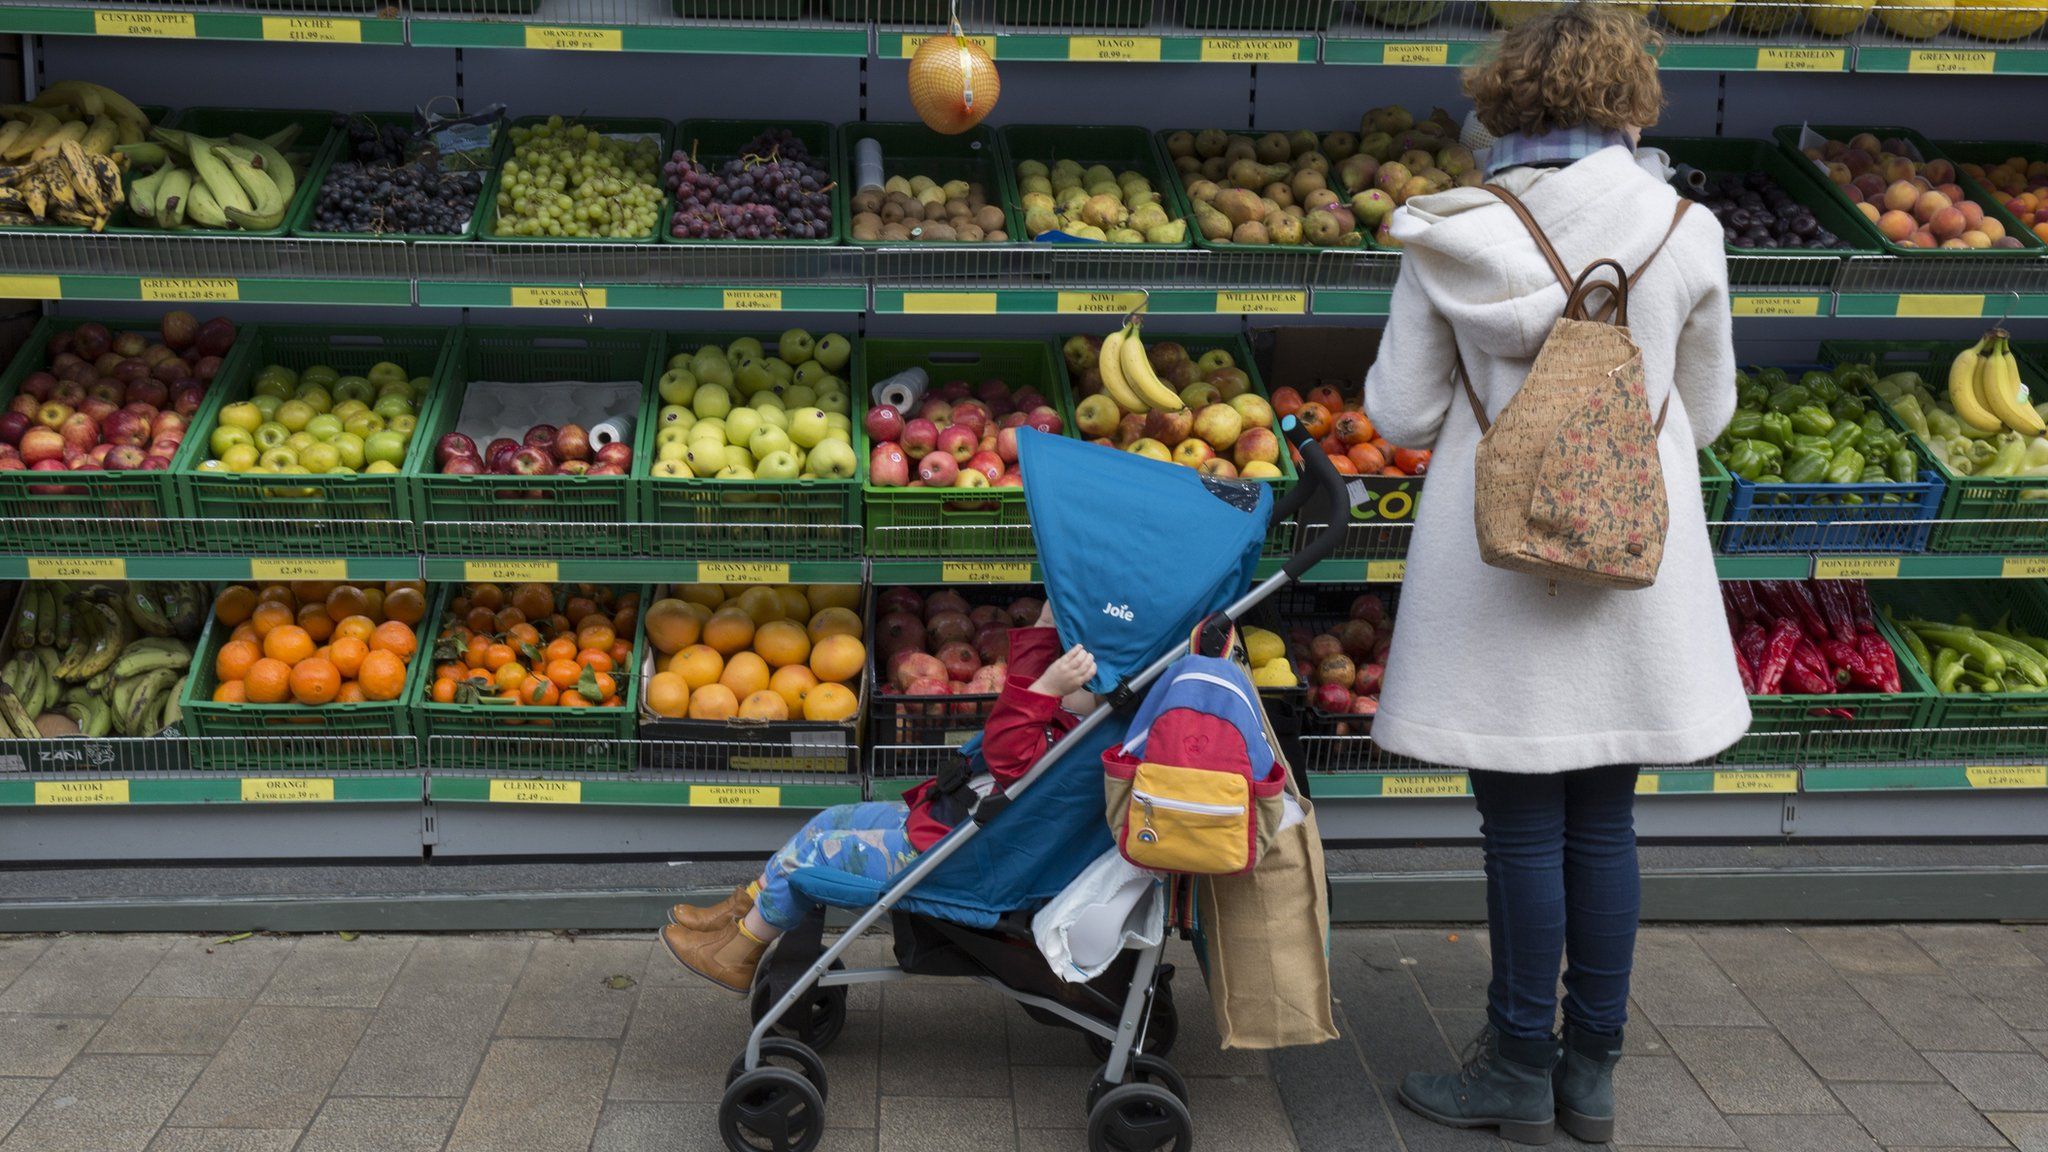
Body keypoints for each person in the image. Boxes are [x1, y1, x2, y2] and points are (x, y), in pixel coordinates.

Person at [1361, 5, 1748, 1146]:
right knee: (1605, 823)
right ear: (1629, 99)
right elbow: (1709, 412)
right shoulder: (1684, 228)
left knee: (1521, 829)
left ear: (1503, 100)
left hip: (1493, 567)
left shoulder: (1453, 233)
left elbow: (1400, 412)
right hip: (1630, 558)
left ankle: (1516, 1066)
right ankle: (1591, 1075)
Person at [661, 602, 1100, 994]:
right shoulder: (1076, 723)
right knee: (831, 819)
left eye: (1081, 675)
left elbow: (1007, 750)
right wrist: (1045, 629)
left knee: (815, 856)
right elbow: (1028, 704)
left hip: (954, 857)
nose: (1065, 668)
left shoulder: (1073, 746)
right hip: (950, 828)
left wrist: (1045, 688)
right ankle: (740, 914)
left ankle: (738, 952)